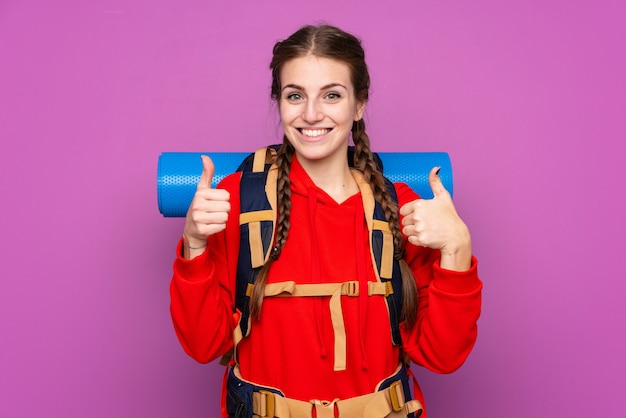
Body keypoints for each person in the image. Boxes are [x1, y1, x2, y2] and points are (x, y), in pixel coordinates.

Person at [170, 24, 482, 418]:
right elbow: (203, 346)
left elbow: (443, 356)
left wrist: (457, 249)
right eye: (295, 96)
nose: (311, 114)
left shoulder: (401, 208)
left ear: (359, 105)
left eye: (332, 95)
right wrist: (194, 244)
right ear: (278, 102)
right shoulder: (236, 201)